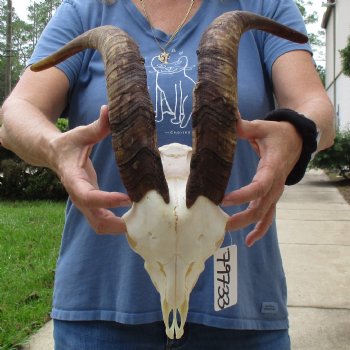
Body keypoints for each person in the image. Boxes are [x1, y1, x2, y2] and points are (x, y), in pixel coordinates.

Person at [0, 0, 334, 349]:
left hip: (240, 314)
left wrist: (296, 134)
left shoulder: (266, 4)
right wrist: (54, 147)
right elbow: (16, 115)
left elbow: (316, 108)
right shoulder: (86, 8)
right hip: (101, 310)